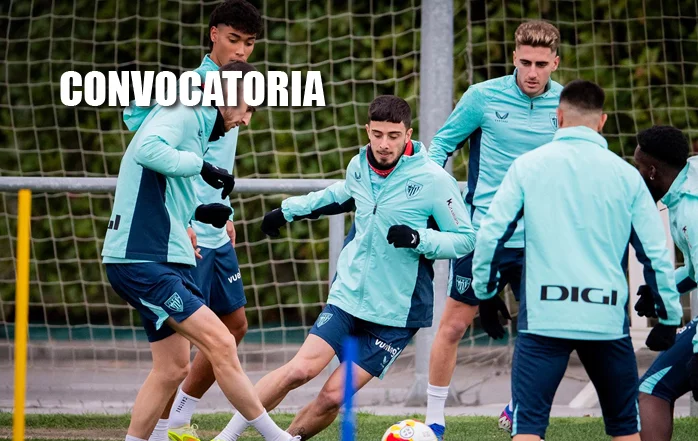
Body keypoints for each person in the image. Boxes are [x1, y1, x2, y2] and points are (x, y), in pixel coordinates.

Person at [211, 95, 476, 441]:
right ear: (367, 130)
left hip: (395, 313)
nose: (384, 144)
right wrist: (287, 211)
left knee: (332, 397)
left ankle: (289, 438)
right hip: (348, 297)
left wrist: (419, 238)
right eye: (377, 134)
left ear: (408, 134)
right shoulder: (359, 166)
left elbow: (465, 238)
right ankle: (226, 438)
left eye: (393, 136)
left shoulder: (433, 180)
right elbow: (337, 194)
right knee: (299, 370)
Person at [471, 79, 683, 441]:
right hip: (605, 319)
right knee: (625, 429)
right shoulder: (626, 176)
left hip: (544, 318)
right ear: (602, 121)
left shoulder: (527, 166)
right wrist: (668, 316)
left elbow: (491, 235)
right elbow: (655, 253)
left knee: (528, 428)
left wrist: (485, 293)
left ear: (558, 116)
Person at [102, 60, 298, 441]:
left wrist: (200, 211)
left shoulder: (197, 122)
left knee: (172, 368)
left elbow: (161, 186)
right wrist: (201, 166)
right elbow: (147, 149)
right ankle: (277, 438)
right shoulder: (186, 109)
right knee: (222, 341)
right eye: (248, 108)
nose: (247, 120)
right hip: (143, 257)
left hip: (157, 257)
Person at [423, 20, 563, 438]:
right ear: (514, 57)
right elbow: (440, 146)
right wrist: (435, 200)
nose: (532, 72)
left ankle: (518, 408)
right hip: (482, 235)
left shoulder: (566, 105)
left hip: (540, 240)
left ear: (555, 63)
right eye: (525, 62)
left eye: (541, 64)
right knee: (453, 325)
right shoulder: (482, 97)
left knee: (539, 333)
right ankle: (433, 419)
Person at [149, 2, 263, 441]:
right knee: (179, 346)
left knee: (235, 326)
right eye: (234, 39)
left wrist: (224, 208)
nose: (241, 51)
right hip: (186, 228)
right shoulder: (189, 89)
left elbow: (216, 161)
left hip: (216, 225)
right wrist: (182, 221)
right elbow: (152, 142)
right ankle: (159, 430)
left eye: (248, 43)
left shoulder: (240, 85)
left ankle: (179, 418)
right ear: (213, 34)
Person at [632, 125, 698, 441]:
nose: (636, 178)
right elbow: (694, 271)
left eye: (638, 168)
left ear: (652, 171)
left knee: (653, 390)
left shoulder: (691, 212)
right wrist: (659, 290)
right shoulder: (688, 179)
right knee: (651, 390)